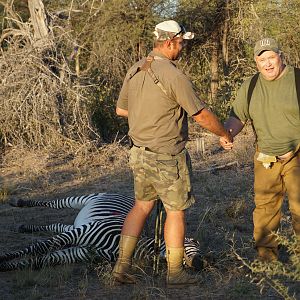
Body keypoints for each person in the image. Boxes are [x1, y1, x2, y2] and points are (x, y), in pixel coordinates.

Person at [114, 20, 232, 286]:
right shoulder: (172, 74)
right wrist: (224, 134)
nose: (183, 47)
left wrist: (147, 115)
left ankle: (121, 268)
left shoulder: (135, 69)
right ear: (169, 42)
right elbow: (200, 115)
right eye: (181, 43)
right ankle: (176, 274)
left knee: (141, 206)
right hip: (167, 155)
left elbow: (121, 110)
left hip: (139, 153)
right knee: (176, 211)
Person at [220, 37, 300, 262]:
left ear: (280, 56)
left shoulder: (297, 79)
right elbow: (237, 117)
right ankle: (267, 259)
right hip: (265, 157)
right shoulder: (251, 84)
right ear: (256, 62)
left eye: (271, 58)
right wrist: (228, 134)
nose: (267, 64)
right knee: (265, 208)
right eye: (262, 59)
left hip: (297, 154)